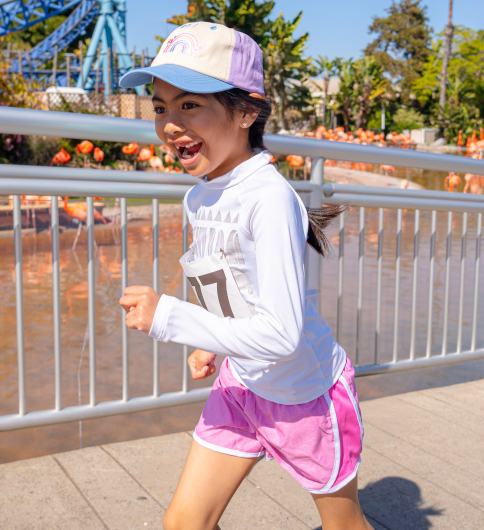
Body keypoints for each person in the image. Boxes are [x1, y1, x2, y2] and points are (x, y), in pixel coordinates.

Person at [117, 22, 371, 530]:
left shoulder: (269, 199)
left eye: (190, 105)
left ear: (247, 111)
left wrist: (171, 316)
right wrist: (211, 343)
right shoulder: (200, 194)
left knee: (345, 528)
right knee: (184, 524)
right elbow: (227, 283)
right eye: (160, 107)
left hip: (304, 396)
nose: (169, 124)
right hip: (241, 386)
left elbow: (279, 333)